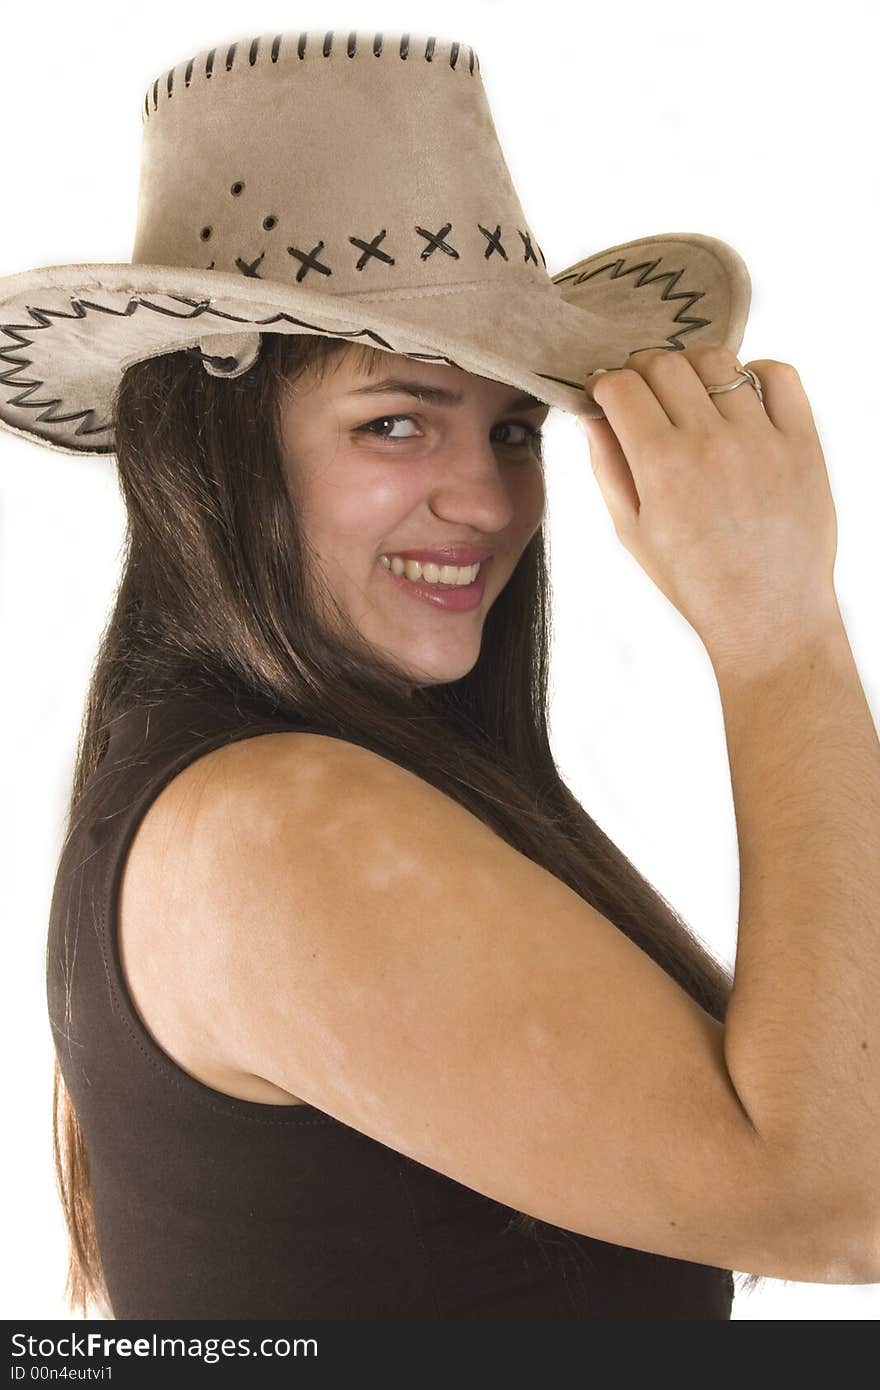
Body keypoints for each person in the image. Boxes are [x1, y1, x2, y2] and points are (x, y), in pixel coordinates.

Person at [2, 28, 877, 1319]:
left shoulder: (273, 800)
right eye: (396, 421)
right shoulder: (271, 831)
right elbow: (847, 1194)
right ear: (221, 447)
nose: (485, 500)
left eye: (514, 428)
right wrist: (781, 634)